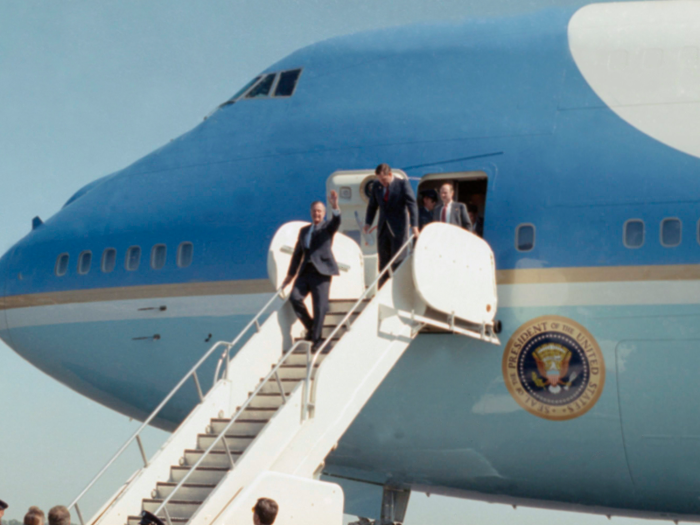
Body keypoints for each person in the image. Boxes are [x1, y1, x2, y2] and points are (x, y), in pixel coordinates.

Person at [282, 190, 341, 350]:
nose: (317, 214)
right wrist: (290, 275)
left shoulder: (328, 227)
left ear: (324, 213)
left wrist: (335, 206)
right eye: (314, 211)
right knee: (295, 298)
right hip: (305, 272)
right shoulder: (304, 231)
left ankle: (317, 340)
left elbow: (336, 221)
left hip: (322, 272)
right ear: (311, 213)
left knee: (319, 306)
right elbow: (297, 254)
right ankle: (311, 326)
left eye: (320, 211)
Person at [363, 163, 419, 284]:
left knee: (397, 261)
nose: (382, 182)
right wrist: (368, 223)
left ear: (390, 174)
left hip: (398, 229)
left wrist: (414, 226)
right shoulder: (377, 186)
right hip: (383, 228)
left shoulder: (402, 184)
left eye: (384, 179)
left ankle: (397, 289)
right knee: (383, 262)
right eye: (379, 179)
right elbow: (372, 206)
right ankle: (382, 289)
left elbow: (412, 204)